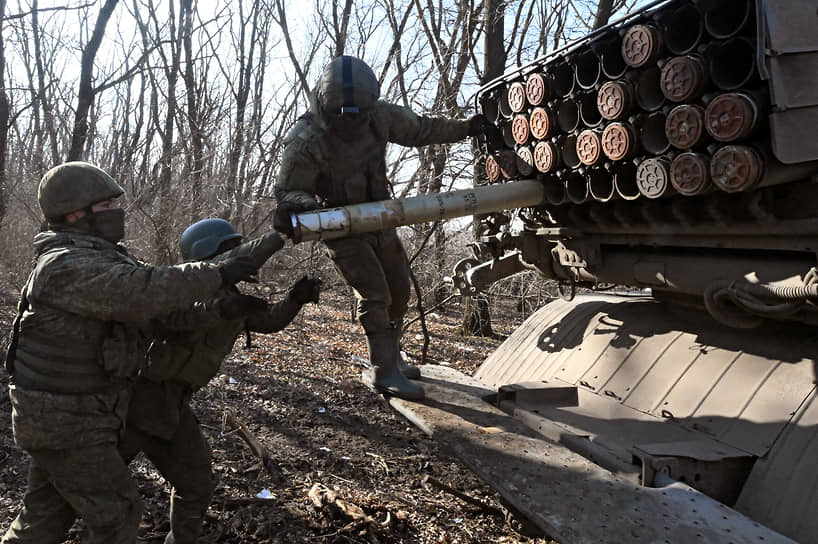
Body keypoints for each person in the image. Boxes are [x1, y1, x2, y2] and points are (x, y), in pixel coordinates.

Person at [2, 162, 258, 544]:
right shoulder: (67, 265)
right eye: (106, 206)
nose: (117, 213)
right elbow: (148, 291)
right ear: (75, 213)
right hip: (66, 422)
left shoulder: (103, 257)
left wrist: (218, 309)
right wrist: (221, 272)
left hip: (75, 416)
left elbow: (159, 316)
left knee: (44, 517)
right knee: (118, 515)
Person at [273, 55, 487, 401]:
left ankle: (394, 359)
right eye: (344, 116)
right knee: (375, 294)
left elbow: (422, 129)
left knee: (399, 291)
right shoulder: (304, 138)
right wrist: (299, 205)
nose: (353, 123)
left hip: (382, 218)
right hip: (340, 225)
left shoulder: (380, 115)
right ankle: (384, 370)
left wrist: (467, 128)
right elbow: (289, 190)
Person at [118, 218, 321, 544]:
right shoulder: (182, 287)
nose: (238, 257)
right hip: (143, 398)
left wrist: (295, 299)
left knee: (196, 483)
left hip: (174, 404)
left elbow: (267, 321)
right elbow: (170, 321)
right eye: (229, 250)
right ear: (209, 256)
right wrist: (221, 309)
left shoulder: (232, 296)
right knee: (97, 485)